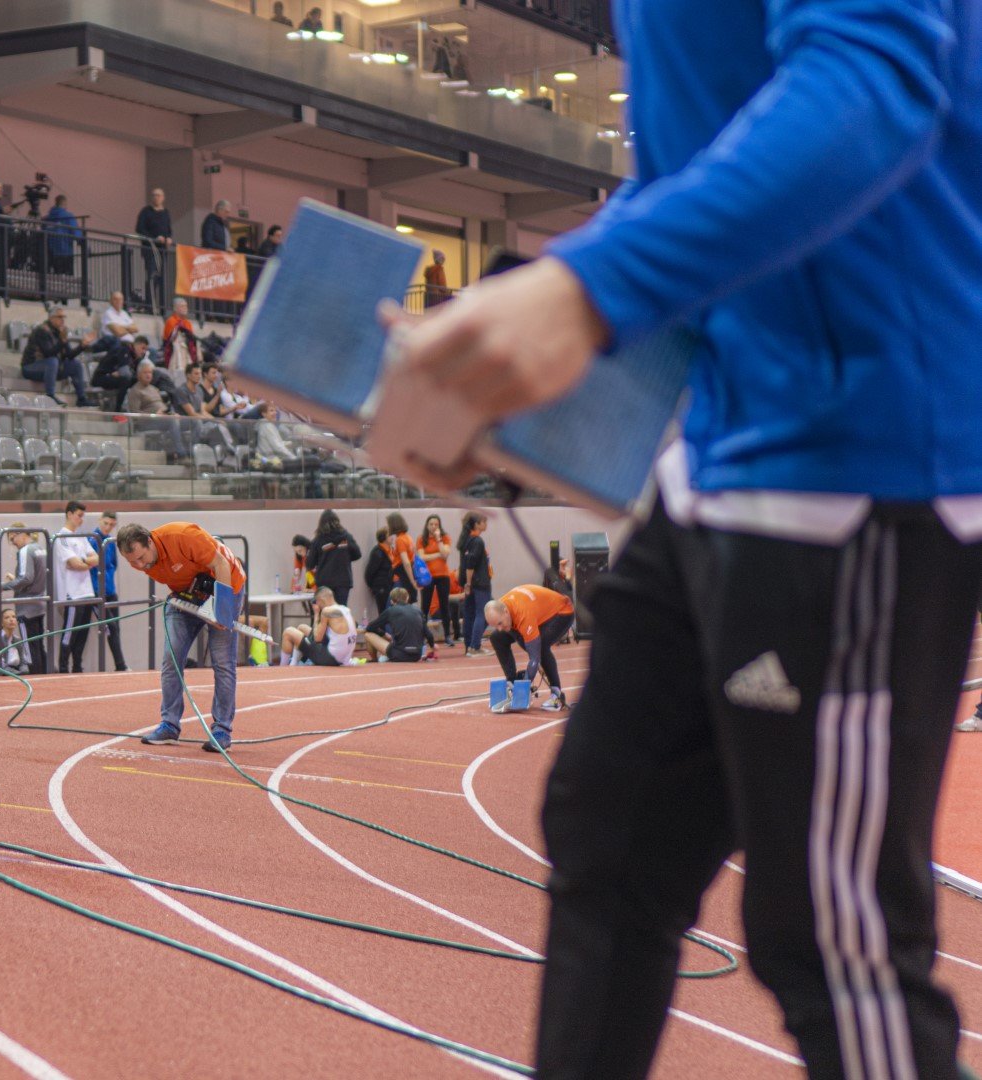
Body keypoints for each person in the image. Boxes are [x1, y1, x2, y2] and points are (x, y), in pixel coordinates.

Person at [387, 4, 982, 1076]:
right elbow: (705, 152)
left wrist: (587, 290)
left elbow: (874, 77)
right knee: (607, 840)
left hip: (856, 450)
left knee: (833, 938)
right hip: (720, 440)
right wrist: (520, 357)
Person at [120, 522, 246, 752]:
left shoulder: (183, 536)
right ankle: (169, 725)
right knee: (171, 658)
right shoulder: (143, 559)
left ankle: (222, 729)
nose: (139, 565)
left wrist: (223, 607)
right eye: (132, 562)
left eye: (141, 557)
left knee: (222, 661)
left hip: (226, 583)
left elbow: (221, 564)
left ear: (150, 541)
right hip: (185, 594)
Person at [485, 584, 575, 713]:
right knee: (497, 637)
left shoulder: (522, 613)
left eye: (500, 623)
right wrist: (515, 685)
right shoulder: (502, 609)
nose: (499, 628)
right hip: (538, 612)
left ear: (505, 611)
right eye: (495, 625)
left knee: (541, 647)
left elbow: (534, 658)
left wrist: (523, 688)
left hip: (562, 611)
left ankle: (557, 695)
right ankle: (511, 682)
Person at [53, 500, 100, 674]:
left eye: (83, 516)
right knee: (69, 634)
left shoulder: (81, 536)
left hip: (87, 592)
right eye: (79, 516)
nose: (81, 519)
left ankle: (77, 668)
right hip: (72, 594)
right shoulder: (62, 537)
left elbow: (96, 558)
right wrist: (86, 562)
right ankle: (64, 669)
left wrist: (84, 562)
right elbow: (73, 563)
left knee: (82, 636)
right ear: (69, 514)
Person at [21, 305, 97, 405]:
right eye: (59, 317)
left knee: (76, 364)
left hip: (50, 368)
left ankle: (81, 398)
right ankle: (50, 395)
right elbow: (48, 353)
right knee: (53, 361)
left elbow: (69, 355)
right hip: (31, 367)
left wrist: (82, 345)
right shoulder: (41, 330)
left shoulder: (59, 332)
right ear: (51, 318)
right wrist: (62, 341)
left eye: (63, 317)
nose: (62, 320)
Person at [0, 524, 48, 675]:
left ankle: (36, 683)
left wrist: (5, 586)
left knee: (29, 649)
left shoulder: (25, 550)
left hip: (26, 607)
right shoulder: (39, 548)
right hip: (39, 603)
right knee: (39, 646)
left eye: (13, 538)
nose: (13, 543)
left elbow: (27, 578)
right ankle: (45, 680)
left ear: (20, 534)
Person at [89, 509, 129, 672]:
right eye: (106, 523)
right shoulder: (92, 540)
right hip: (97, 592)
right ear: (100, 521)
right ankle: (121, 665)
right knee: (110, 627)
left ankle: (120, 665)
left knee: (116, 628)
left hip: (110, 590)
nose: (108, 527)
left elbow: (113, 564)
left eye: (112, 525)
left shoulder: (111, 542)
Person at [125, 358, 188, 460]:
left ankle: (190, 452)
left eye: (150, 372)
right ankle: (181, 454)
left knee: (193, 423)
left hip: (163, 418)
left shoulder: (154, 389)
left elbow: (162, 407)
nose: (148, 375)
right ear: (139, 375)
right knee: (172, 422)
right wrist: (154, 414)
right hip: (147, 422)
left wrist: (171, 413)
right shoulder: (135, 391)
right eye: (145, 372)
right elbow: (135, 415)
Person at [280, 587, 358, 668]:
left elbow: (317, 638)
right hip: (344, 657)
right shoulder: (345, 609)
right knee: (302, 627)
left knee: (288, 632)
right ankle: (294, 663)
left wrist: (316, 614)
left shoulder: (326, 611)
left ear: (321, 600)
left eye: (317, 601)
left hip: (330, 659)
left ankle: (282, 668)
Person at [305, 508, 360, 607]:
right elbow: (357, 554)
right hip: (343, 581)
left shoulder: (318, 540)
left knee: (325, 612)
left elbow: (310, 564)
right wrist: (344, 557)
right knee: (340, 612)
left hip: (324, 582)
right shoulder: (346, 537)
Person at [364, 586, 432, 663]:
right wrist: (433, 648)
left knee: (368, 634)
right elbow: (428, 634)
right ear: (407, 598)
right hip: (417, 655)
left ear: (391, 601)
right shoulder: (417, 610)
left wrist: (384, 634)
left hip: (399, 654)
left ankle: (374, 659)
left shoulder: (390, 611)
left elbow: (369, 627)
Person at [418, 514, 456, 646]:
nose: (433, 527)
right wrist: (438, 555)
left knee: (444, 605)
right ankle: (422, 636)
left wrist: (438, 539)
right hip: (427, 576)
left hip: (442, 575)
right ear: (427, 526)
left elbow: (445, 553)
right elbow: (422, 557)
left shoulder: (445, 538)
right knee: (425, 606)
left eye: (436, 524)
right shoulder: (421, 539)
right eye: (431, 524)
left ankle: (447, 636)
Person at [456, 511, 491, 656]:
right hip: (479, 582)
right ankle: (475, 646)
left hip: (471, 582)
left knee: (470, 613)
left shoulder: (467, 540)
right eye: (484, 521)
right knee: (483, 613)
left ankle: (469, 645)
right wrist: (468, 583)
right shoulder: (477, 541)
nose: (486, 524)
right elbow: (470, 564)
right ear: (477, 524)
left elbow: (465, 564)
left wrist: (466, 582)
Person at [135, 188, 174, 301]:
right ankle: (149, 302)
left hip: (162, 249)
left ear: (163, 198)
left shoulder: (166, 213)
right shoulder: (146, 211)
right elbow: (139, 228)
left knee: (161, 276)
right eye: (154, 195)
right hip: (150, 249)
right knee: (152, 274)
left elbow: (169, 229)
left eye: (158, 195)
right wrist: (154, 238)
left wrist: (169, 238)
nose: (156, 197)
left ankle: (160, 304)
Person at [90, 333, 145, 411]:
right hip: (101, 377)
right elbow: (125, 373)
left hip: (112, 377)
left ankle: (138, 407)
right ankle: (118, 410)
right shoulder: (124, 349)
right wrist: (122, 374)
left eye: (145, 349)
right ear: (136, 344)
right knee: (125, 380)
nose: (144, 352)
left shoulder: (136, 358)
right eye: (143, 348)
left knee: (138, 380)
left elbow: (130, 374)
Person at [385, 512, 423, 601]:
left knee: (394, 604)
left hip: (401, 576)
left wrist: (412, 581)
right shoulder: (408, 538)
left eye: (388, 524)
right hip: (407, 574)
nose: (387, 527)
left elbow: (406, 562)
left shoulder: (400, 540)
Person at [0, 608, 33, 677]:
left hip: (16, 673)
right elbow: (1, 666)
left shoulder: (17, 640)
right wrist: (18, 674)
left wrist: (24, 671)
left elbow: (23, 662)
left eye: (14, 617)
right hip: (0, 675)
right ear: (1, 623)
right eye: (7, 618)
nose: (11, 620)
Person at [43, 194, 80, 276]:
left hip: (51, 253)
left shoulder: (47, 219)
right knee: (68, 278)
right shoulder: (68, 216)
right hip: (65, 252)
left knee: (55, 277)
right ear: (64, 203)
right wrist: (83, 244)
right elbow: (75, 232)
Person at [161, 297, 199, 375]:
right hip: (173, 350)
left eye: (186, 306)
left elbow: (191, 340)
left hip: (187, 351)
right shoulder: (171, 321)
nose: (185, 308)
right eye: (182, 306)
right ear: (175, 308)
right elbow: (172, 340)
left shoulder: (188, 323)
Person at [363, 525, 392, 613]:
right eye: (390, 535)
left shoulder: (391, 550)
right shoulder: (378, 552)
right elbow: (369, 572)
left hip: (389, 585)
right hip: (381, 586)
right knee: (383, 611)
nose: (392, 537)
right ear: (384, 537)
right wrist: (373, 586)